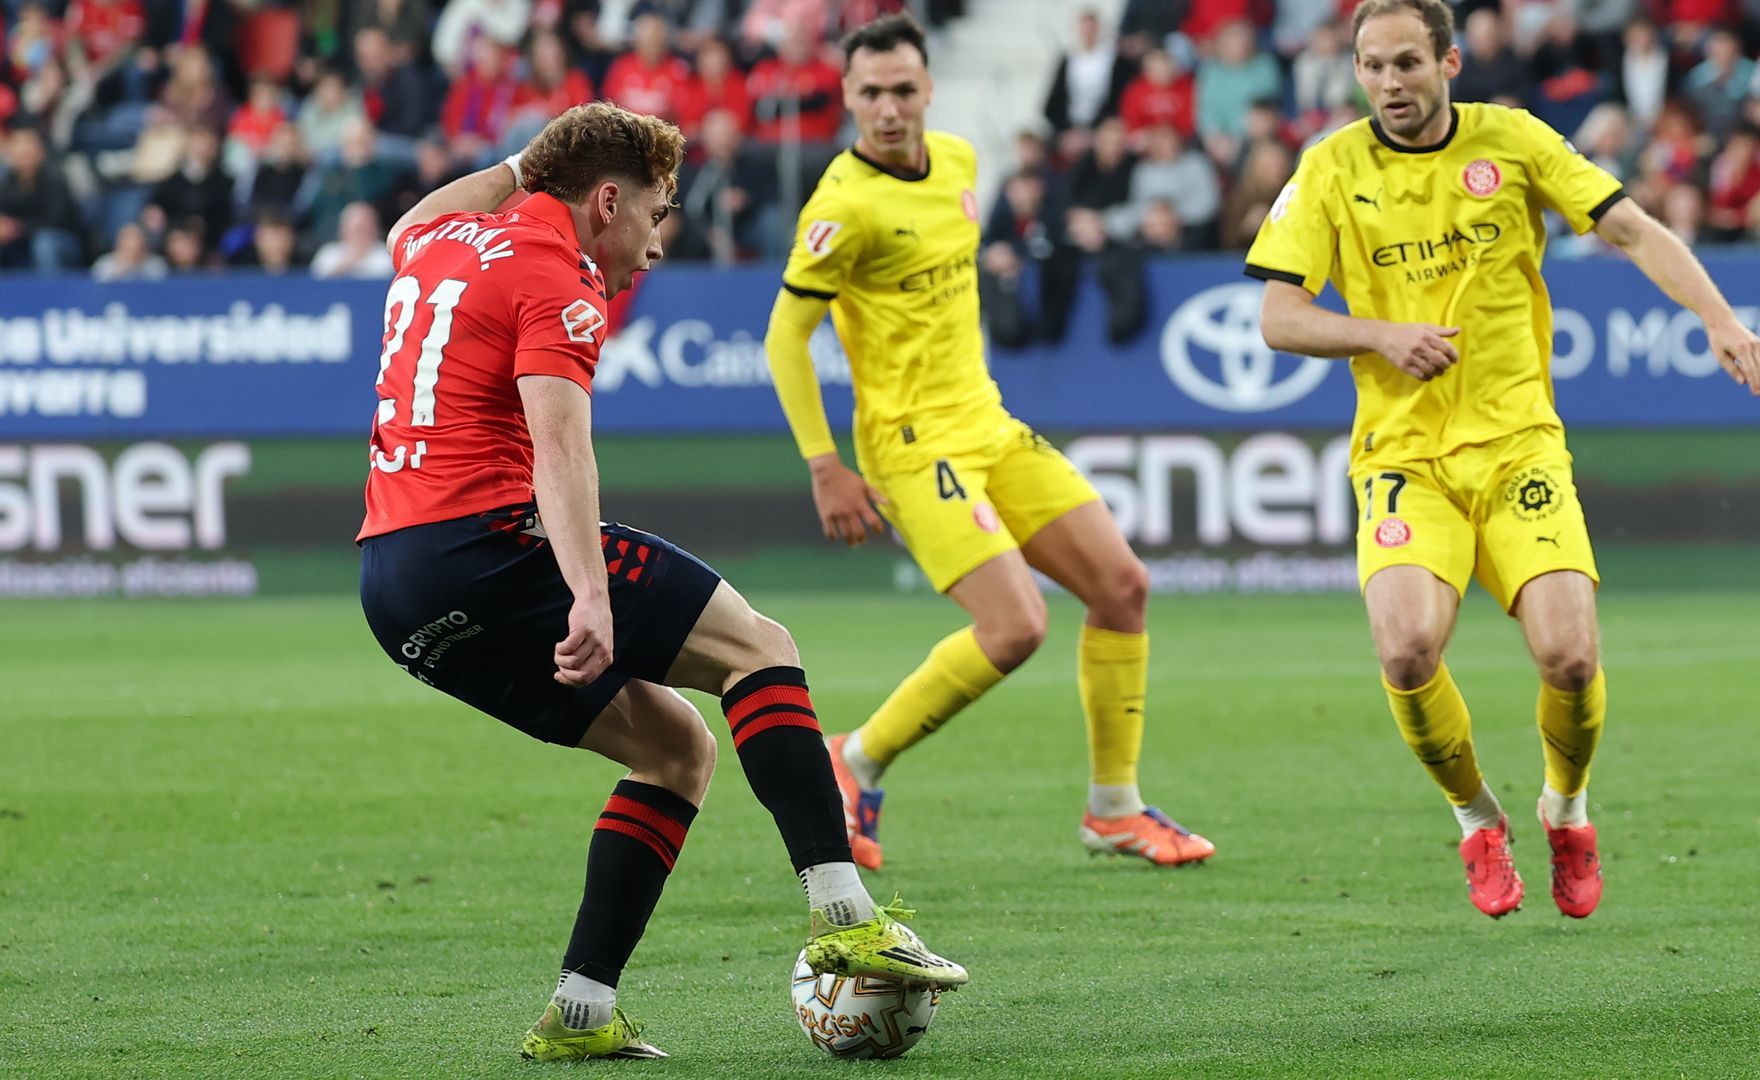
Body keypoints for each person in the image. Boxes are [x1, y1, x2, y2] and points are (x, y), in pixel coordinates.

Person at [356, 101, 966, 1063]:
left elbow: (403, 224)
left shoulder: (439, 239)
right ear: (606, 201)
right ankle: (845, 915)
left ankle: (582, 1010)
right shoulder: (558, 277)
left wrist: (529, 159)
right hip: (486, 542)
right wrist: (589, 595)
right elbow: (559, 448)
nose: (656, 240)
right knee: (760, 651)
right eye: (657, 211)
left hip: (394, 589)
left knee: (678, 751)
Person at [1247, 0, 1760, 921]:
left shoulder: (1517, 141)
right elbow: (1276, 315)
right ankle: (1476, 819)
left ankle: (1566, 809)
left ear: (1449, 62)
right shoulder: (1330, 167)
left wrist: (1719, 317)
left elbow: (1632, 228)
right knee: (1408, 648)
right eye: (1371, 67)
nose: (1388, 84)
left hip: (1518, 442)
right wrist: (1379, 334)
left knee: (1569, 658)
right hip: (1405, 455)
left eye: (1407, 63)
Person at [763, 15, 1215, 871]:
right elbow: (786, 338)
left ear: (929, 88)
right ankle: (851, 758)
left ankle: (1114, 809)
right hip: (908, 443)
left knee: (1123, 585)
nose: (889, 109)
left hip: (988, 423)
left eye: (903, 90)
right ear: (850, 98)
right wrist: (826, 464)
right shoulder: (844, 206)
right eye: (870, 94)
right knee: (1015, 626)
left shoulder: (964, 162)